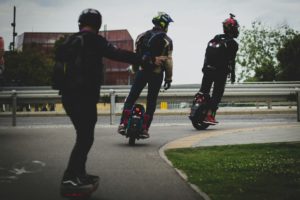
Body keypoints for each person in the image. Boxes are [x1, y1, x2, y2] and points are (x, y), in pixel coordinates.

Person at [55, 8, 165, 190]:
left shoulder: (69, 41)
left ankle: (78, 174)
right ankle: (70, 177)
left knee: (83, 137)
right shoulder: (95, 40)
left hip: (67, 96)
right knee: (85, 138)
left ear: (80, 23)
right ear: (97, 24)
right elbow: (120, 54)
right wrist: (147, 60)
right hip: (85, 96)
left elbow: (59, 69)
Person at [117, 12, 174, 138]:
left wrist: (135, 70)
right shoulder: (167, 40)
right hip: (156, 74)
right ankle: (144, 129)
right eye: (168, 24)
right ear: (164, 24)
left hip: (142, 72)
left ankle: (123, 123)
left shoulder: (141, 36)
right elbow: (169, 61)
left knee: (131, 98)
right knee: (151, 102)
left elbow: (136, 56)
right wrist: (169, 78)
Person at [199, 13, 239, 125]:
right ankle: (209, 115)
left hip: (207, 69)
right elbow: (232, 61)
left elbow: (207, 54)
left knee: (204, 91)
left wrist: (204, 67)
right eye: (236, 28)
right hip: (220, 72)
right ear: (232, 29)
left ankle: (197, 107)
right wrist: (232, 75)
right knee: (217, 93)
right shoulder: (233, 43)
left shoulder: (216, 38)